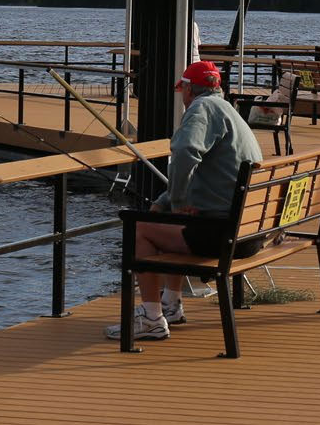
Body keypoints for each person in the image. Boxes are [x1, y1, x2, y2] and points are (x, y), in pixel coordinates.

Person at [107, 58, 262, 342]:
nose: (183, 98)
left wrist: (176, 205)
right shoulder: (229, 110)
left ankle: (152, 318)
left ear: (189, 89)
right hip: (250, 231)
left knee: (140, 228)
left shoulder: (201, 109)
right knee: (165, 219)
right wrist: (166, 202)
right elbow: (197, 174)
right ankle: (170, 304)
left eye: (182, 92)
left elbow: (184, 154)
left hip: (225, 236)